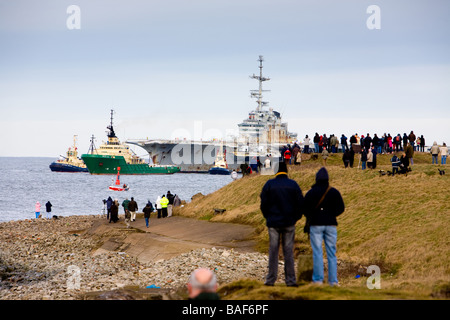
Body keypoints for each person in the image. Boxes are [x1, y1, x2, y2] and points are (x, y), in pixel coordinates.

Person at [260, 162, 304, 287]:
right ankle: (290, 280)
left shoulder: (269, 184)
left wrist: (268, 217)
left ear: (275, 170)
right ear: (286, 170)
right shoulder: (293, 185)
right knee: (288, 251)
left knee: (273, 251)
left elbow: (263, 203)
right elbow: (301, 203)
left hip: (273, 222)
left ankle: (270, 280)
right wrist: (295, 218)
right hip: (289, 222)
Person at [303, 167, 345, 286]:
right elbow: (341, 208)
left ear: (316, 178)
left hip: (316, 224)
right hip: (331, 224)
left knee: (317, 252)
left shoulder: (311, 192)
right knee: (331, 253)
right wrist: (331, 215)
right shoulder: (334, 192)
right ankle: (333, 281)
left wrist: (312, 215)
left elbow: (304, 208)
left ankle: (318, 280)